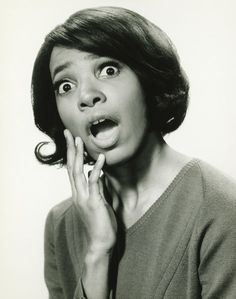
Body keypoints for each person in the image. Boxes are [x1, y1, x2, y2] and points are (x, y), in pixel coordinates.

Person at [31, 6, 236, 299]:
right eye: (65, 85)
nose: (87, 96)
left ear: (148, 80)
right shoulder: (61, 224)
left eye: (108, 70)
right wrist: (98, 252)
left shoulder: (222, 209)